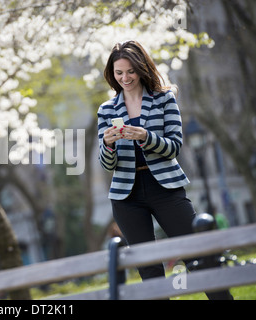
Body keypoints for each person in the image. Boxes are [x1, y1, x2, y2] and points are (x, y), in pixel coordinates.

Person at [98, 40, 233, 300]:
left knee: (197, 252)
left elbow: (174, 147)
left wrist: (145, 136)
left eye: (130, 71)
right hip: (126, 196)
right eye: (118, 73)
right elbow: (106, 164)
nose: (125, 78)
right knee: (148, 267)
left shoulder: (163, 99)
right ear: (112, 75)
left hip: (165, 186)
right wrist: (107, 144)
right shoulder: (106, 110)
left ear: (141, 68)